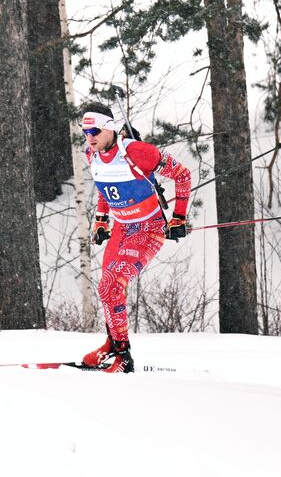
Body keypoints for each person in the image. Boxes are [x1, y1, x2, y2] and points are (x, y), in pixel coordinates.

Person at [78, 101, 192, 373]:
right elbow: (106, 187)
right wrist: (102, 220)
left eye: (94, 131)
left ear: (109, 128)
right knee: (108, 291)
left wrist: (178, 217)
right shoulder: (90, 154)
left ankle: (124, 359)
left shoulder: (138, 152)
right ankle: (112, 345)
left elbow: (182, 175)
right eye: (85, 131)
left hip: (148, 229)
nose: (89, 137)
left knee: (110, 285)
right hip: (121, 229)